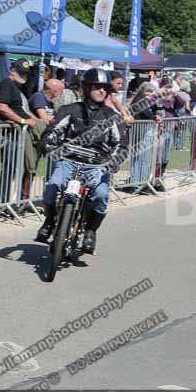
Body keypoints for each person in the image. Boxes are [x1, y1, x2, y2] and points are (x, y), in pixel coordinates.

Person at [35, 68, 128, 253]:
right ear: (86, 88)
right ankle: (50, 220)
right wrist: (47, 143)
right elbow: (52, 131)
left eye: (104, 88)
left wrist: (115, 161)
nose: (101, 91)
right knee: (52, 186)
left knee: (101, 196)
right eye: (96, 87)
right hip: (68, 161)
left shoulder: (112, 117)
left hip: (97, 166)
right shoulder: (69, 110)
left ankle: (91, 231)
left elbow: (122, 145)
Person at [0, 59, 35, 205]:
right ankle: (2, 203)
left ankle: (7, 203)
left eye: (25, 74)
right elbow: (2, 107)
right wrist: (23, 121)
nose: (23, 76)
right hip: (10, 135)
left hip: (18, 134)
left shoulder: (17, 87)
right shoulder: (7, 84)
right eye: (20, 72)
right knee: (9, 169)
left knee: (14, 170)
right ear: (12, 70)